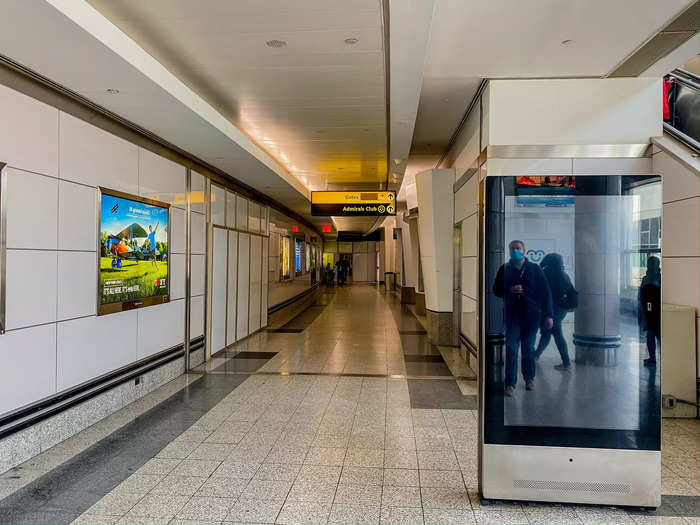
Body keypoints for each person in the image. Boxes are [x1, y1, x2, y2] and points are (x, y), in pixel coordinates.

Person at [493, 240, 554, 396]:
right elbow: (496, 290)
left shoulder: (535, 269)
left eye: (518, 248)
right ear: (509, 251)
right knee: (512, 349)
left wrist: (549, 315)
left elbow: (546, 292)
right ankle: (510, 383)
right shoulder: (504, 269)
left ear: (524, 250)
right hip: (512, 316)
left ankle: (529, 378)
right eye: (512, 249)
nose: (515, 251)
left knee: (528, 350)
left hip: (531, 317)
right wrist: (509, 289)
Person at [534, 253, 577, 370]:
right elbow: (572, 292)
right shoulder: (564, 275)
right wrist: (570, 306)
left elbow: (540, 293)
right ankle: (536, 355)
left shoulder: (544, 274)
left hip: (550, 310)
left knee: (556, 334)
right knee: (547, 332)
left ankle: (566, 362)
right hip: (561, 310)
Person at [639, 256, 661, 366]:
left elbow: (647, 299)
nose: (649, 266)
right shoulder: (647, 278)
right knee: (651, 336)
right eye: (649, 264)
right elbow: (642, 298)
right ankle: (652, 358)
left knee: (653, 336)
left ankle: (654, 358)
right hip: (650, 311)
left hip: (654, 312)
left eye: (651, 264)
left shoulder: (658, 278)